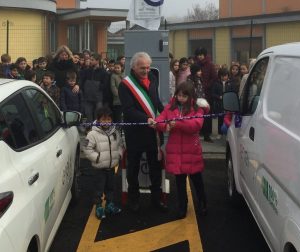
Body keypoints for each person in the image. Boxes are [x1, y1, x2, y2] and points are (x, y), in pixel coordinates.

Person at [118, 51, 167, 213]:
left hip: (153, 132)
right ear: (133, 67)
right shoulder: (125, 84)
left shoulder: (152, 77)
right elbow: (128, 109)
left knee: (155, 166)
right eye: (142, 68)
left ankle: (156, 199)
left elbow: (156, 101)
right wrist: (146, 119)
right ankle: (133, 199)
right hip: (135, 133)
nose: (146, 70)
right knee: (133, 168)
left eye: (147, 67)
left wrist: (167, 113)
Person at [155, 81, 208, 218]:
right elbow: (160, 120)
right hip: (176, 151)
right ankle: (182, 206)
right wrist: (161, 125)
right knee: (179, 182)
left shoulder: (197, 109)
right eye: (179, 95)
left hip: (191, 150)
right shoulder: (170, 108)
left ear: (191, 96)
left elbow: (196, 125)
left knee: (197, 180)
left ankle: (202, 203)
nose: (181, 98)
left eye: (184, 96)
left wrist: (177, 124)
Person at [83, 106, 123, 219]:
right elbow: (86, 148)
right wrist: (97, 158)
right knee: (98, 189)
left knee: (110, 187)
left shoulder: (115, 132)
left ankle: (110, 205)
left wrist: (119, 154)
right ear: (98, 120)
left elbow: (120, 145)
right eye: (103, 119)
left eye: (109, 119)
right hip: (99, 168)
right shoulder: (92, 134)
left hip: (111, 166)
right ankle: (99, 207)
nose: (106, 122)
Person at [194, 47, 217, 142]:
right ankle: (198, 133)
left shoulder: (210, 65)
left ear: (205, 55)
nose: (200, 57)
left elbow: (214, 77)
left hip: (207, 94)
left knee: (207, 114)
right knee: (197, 114)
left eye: (201, 55)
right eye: (198, 55)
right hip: (197, 94)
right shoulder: (196, 64)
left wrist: (206, 85)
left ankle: (207, 135)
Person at [80, 53, 110, 123]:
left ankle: (97, 128)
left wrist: (97, 87)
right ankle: (89, 129)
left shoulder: (103, 72)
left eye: (92, 60)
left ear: (97, 61)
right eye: (90, 59)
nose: (90, 61)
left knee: (98, 114)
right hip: (87, 97)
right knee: (88, 113)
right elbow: (82, 81)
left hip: (98, 97)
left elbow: (105, 85)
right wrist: (85, 89)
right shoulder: (86, 71)